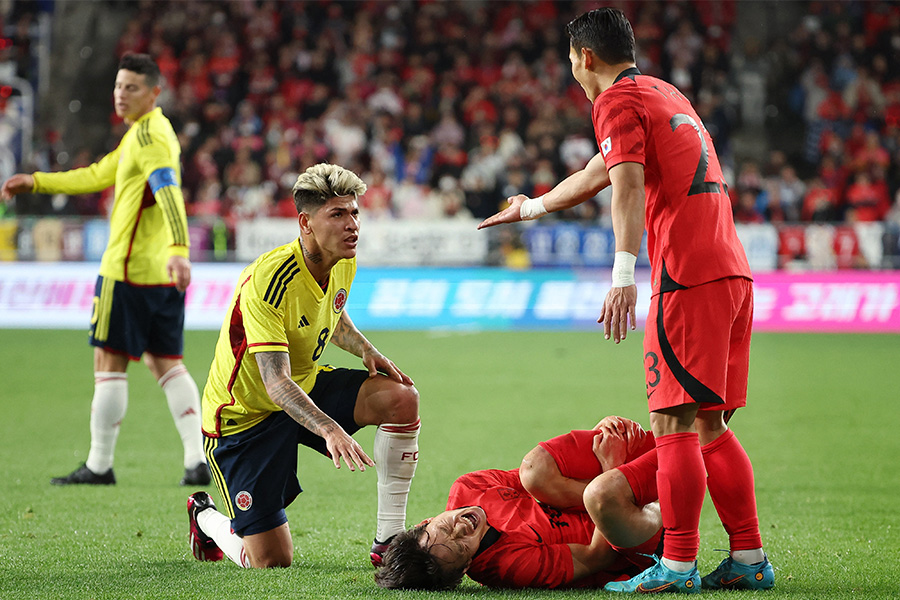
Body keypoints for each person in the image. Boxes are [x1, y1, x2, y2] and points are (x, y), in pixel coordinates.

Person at [478, 8, 773, 593]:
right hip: (730, 271)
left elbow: (627, 184)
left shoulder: (610, 102)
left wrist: (622, 274)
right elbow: (597, 172)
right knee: (711, 426)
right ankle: (748, 559)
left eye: (570, 61)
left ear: (585, 57)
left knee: (675, 425)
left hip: (686, 276)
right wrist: (531, 207)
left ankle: (680, 566)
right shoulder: (662, 92)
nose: (572, 72)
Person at [186, 163, 420, 569]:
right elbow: (275, 383)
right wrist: (329, 428)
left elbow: (331, 311)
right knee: (271, 561)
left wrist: (364, 348)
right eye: (338, 214)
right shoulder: (269, 279)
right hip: (245, 418)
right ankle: (204, 517)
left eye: (354, 213)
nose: (352, 225)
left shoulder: (344, 259)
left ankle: (389, 539)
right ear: (305, 223)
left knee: (401, 398)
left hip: (305, 387)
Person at [1, 53, 209, 487]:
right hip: (160, 278)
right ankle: (196, 460)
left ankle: (99, 464)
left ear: (154, 92)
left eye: (131, 87)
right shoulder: (147, 134)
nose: (120, 94)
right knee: (168, 364)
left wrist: (179, 248)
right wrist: (37, 181)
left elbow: (168, 191)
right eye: (118, 86)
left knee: (109, 364)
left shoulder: (149, 138)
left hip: (128, 272)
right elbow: (96, 175)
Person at [375, 415, 663, 590]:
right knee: (601, 495)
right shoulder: (507, 568)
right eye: (461, 544)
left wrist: (599, 443)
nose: (461, 527)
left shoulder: (469, 487)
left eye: (444, 527)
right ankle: (676, 462)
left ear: (425, 520)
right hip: (632, 539)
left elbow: (552, 478)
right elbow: (597, 555)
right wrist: (611, 471)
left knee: (533, 471)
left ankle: (670, 446)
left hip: (606, 490)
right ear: (466, 567)